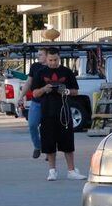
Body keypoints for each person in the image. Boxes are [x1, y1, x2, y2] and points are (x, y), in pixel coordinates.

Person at [30, 47, 87, 181]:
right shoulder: (40, 72)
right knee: (49, 142)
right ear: (46, 59)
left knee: (68, 142)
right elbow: (34, 93)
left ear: (59, 58)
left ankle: (71, 171)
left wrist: (65, 91)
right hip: (47, 112)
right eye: (50, 60)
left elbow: (75, 91)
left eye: (55, 60)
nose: (53, 63)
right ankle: (52, 171)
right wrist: (45, 88)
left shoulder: (66, 72)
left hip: (64, 112)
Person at [19, 48, 48, 159]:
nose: (38, 57)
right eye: (37, 55)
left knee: (46, 128)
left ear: (46, 55)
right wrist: (21, 96)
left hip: (48, 102)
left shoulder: (51, 68)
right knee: (32, 125)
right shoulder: (35, 67)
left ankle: (48, 150)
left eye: (40, 55)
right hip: (36, 102)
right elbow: (28, 82)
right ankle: (37, 146)